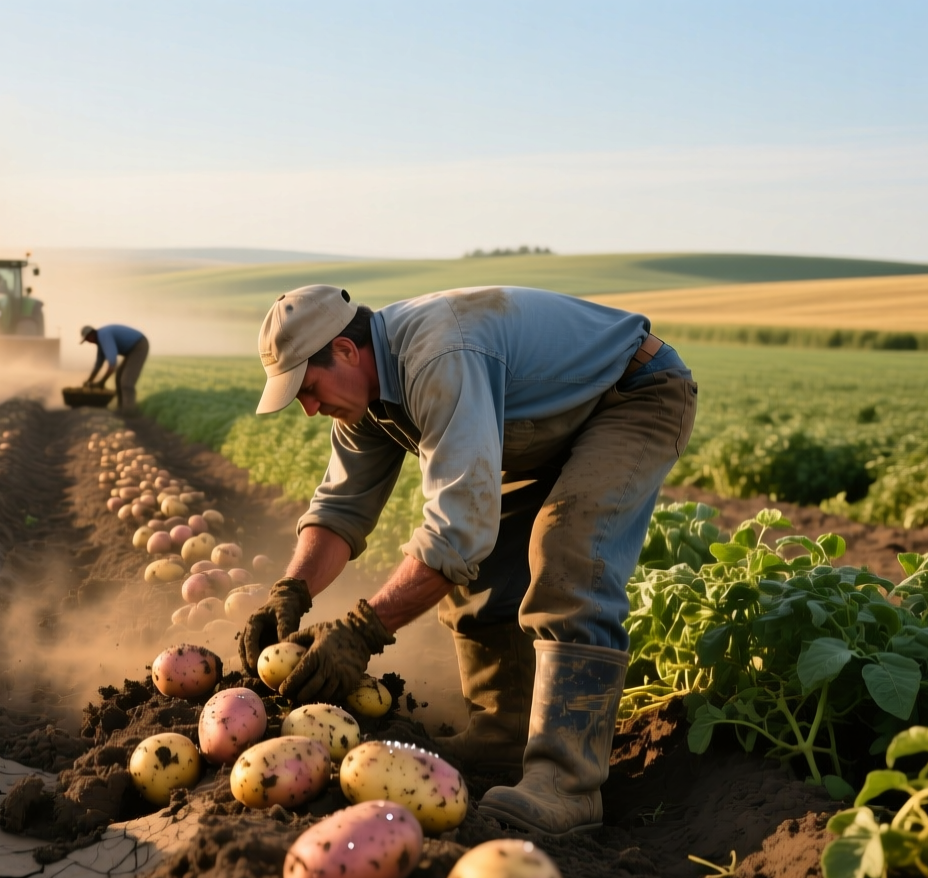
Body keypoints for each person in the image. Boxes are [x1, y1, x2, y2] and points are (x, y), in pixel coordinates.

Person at [240, 284, 696, 836]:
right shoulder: (364, 399)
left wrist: (362, 631)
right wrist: (291, 589)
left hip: (632, 394)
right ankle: (503, 735)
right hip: (550, 425)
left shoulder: (436, 356)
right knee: (479, 566)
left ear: (344, 350)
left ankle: (569, 785)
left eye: (308, 389)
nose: (309, 409)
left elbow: (456, 531)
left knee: (568, 555)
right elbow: (341, 508)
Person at [81, 324, 149, 414]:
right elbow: (98, 365)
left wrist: (101, 382)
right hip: (131, 350)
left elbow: (112, 364)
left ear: (91, 335)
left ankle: (129, 412)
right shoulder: (100, 340)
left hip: (139, 346)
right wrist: (89, 381)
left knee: (126, 381)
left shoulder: (104, 336)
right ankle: (121, 408)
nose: (89, 342)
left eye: (88, 339)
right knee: (118, 378)